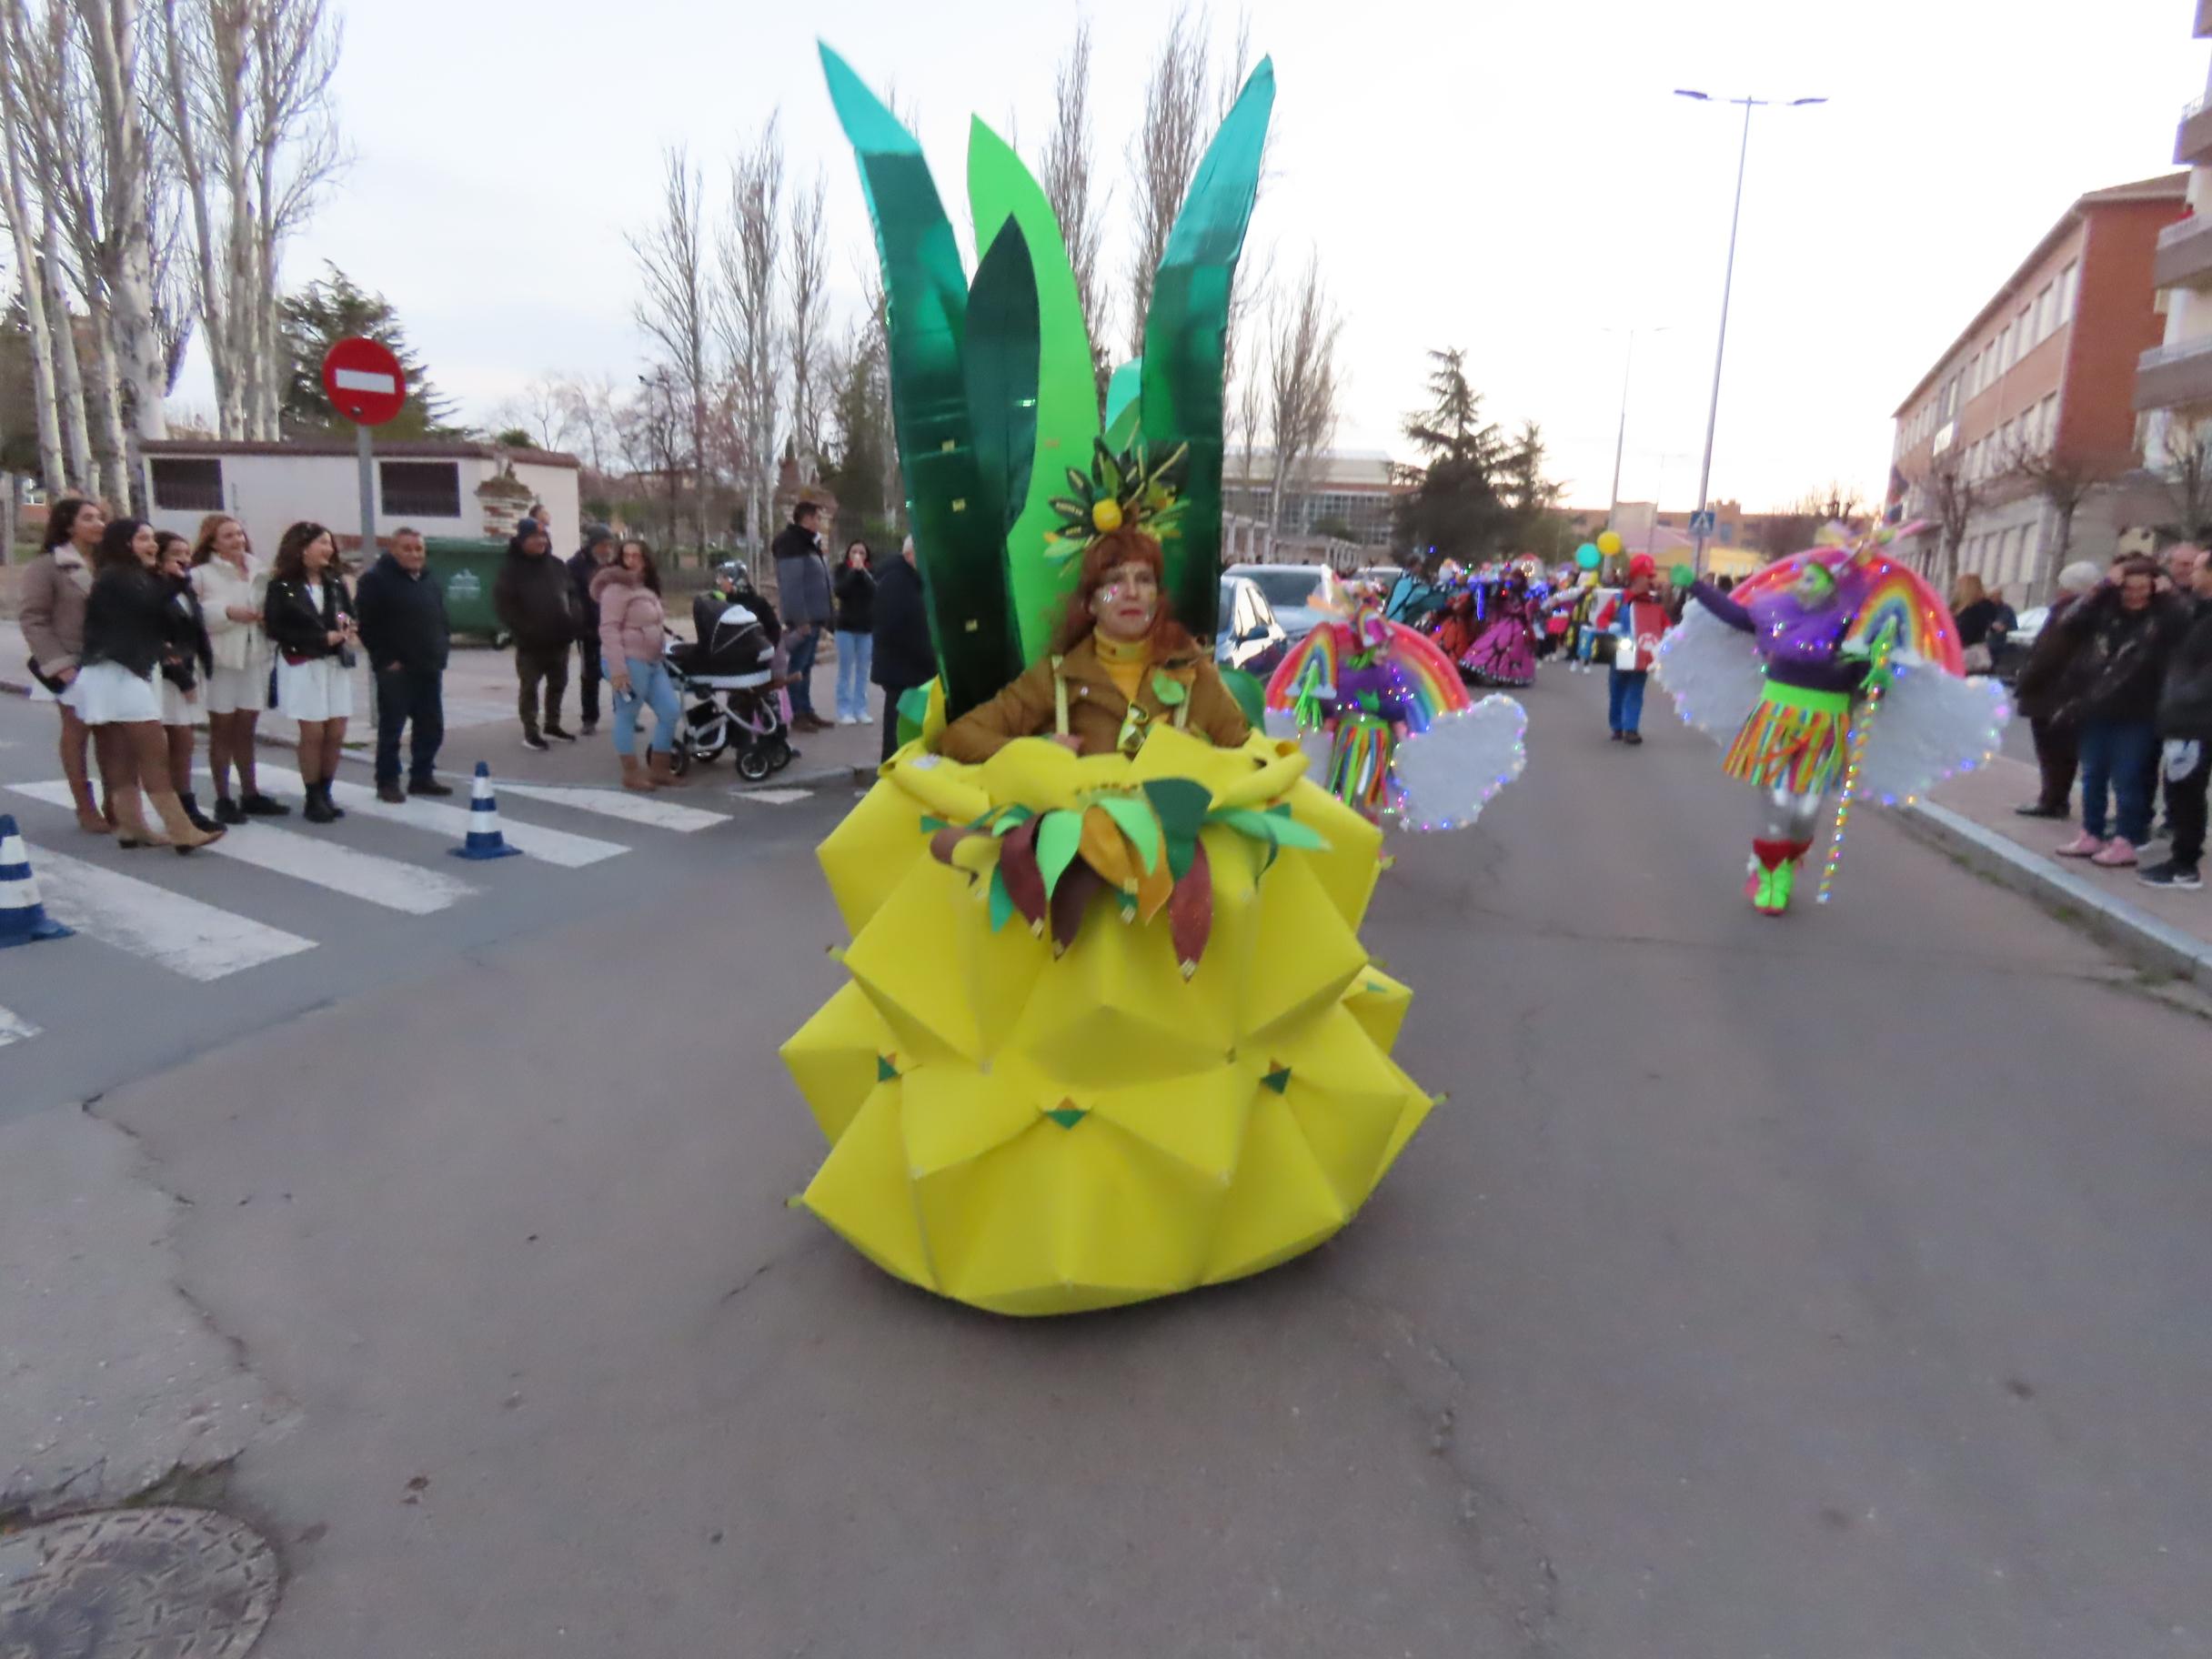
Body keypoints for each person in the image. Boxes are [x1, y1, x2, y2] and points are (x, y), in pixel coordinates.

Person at [939, 527, 1250, 762]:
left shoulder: (1196, 674)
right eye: (1114, 581)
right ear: (1090, 604)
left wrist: (1205, 757)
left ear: (1157, 597)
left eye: (1144, 580)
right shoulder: (1056, 678)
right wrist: (1036, 752)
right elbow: (958, 738)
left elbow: (1252, 757)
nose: (1131, 592)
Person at [65, 518, 223, 850]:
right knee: (154, 752)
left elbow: (145, 619)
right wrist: (176, 583)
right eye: (143, 539)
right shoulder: (118, 577)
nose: (152, 545)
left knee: (121, 754)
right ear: (125, 544)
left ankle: (130, 826)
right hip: (117, 672)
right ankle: (180, 828)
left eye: (152, 539)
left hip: (113, 671)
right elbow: (148, 607)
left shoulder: (130, 576)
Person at [2051, 556, 2188, 868]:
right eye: (2128, 587)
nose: (2135, 594)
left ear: (2155, 587)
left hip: (2137, 711)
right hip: (2095, 705)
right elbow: (2068, 621)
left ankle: (2126, 839)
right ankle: (2091, 833)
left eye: (2143, 588)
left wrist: (2171, 596)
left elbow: (2185, 625)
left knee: (2127, 778)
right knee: (2093, 774)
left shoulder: (2163, 617)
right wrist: (2101, 587)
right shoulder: (2105, 611)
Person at [190, 513, 287, 823]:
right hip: (222, 659)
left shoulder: (259, 570)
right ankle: (222, 797)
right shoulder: (202, 574)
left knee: (246, 729)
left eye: (239, 534)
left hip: (254, 656)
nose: (237, 540)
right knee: (222, 729)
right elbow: (193, 614)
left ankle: (250, 792)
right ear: (213, 542)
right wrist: (228, 613)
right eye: (228, 536)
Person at [20, 497, 109, 833]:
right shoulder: (48, 566)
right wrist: (59, 666)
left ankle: (114, 801)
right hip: (71, 661)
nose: (98, 524)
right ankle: (84, 806)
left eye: (100, 518)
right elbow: (34, 619)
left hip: (112, 658)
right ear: (69, 524)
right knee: (77, 732)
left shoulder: (110, 562)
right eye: (89, 518)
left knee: (113, 735)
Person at [264, 521, 359, 825]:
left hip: (334, 662)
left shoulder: (334, 582)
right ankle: (312, 794)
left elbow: (345, 611)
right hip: (303, 662)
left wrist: (346, 627)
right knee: (314, 731)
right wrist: (320, 638)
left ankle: (327, 790)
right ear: (301, 548)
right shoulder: (282, 586)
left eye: (330, 544)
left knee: (336, 730)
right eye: (322, 543)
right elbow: (276, 626)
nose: (328, 549)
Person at [353, 527, 454, 804]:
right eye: (407, 548)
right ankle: (387, 781)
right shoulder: (375, 581)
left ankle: (422, 776)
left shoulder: (429, 580)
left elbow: (441, 617)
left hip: (428, 666)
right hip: (396, 670)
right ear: (393, 550)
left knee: (431, 726)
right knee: (392, 728)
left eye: (419, 548)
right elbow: (365, 624)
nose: (414, 554)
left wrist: (442, 648)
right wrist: (386, 659)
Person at [2141, 551, 2212, 890]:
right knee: (2178, 789)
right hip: (2183, 717)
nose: (2190, 574)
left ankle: (2185, 865)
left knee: (2186, 791)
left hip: (2196, 720)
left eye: (2197, 568)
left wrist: (2183, 700)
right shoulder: (2196, 610)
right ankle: (2181, 857)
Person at [2012, 560, 2102, 820]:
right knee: (2064, 752)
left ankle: (2052, 800)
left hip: (2051, 692)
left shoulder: (2066, 612)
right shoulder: (2091, 613)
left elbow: (2049, 653)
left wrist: (2026, 680)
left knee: (2052, 751)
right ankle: (2055, 798)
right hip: (2068, 691)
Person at [593, 538, 685, 790]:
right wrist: (618, 670)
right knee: (627, 715)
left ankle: (659, 768)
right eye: (627, 556)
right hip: (629, 662)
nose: (631, 561)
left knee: (669, 711)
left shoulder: (646, 587)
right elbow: (608, 630)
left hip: (654, 662)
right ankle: (631, 773)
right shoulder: (615, 589)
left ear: (646, 559)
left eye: (637, 556)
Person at [153, 531, 223, 834]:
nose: (184, 558)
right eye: (175, 553)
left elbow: (196, 631)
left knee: (184, 741)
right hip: (167, 676)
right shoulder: (154, 590)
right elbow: (158, 635)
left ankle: (185, 803)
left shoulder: (185, 588)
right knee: (172, 741)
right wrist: (182, 677)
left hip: (188, 669)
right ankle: (178, 808)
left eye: (186, 552)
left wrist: (204, 663)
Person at [493, 517, 578, 750]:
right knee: (530, 688)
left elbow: (573, 595)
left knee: (558, 684)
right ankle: (531, 731)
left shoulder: (557, 565)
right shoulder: (511, 569)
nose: (540, 541)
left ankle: (553, 724)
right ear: (522, 540)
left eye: (543, 536)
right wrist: (524, 631)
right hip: (530, 644)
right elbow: (504, 606)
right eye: (534, 537)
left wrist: (574, 621)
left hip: (559, 639)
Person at [870, 534, 935, 763]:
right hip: (902, 668)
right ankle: (894, 770)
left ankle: (900, 766)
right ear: (910, 555)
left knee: (902, 726)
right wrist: (929, 658)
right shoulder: (897, 581)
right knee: (898, 728)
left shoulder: (907, 578)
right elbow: (899, 627)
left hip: (905, 667)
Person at [772, 501, 833, 732]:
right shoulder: (791, 544)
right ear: (807, 519)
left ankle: (806, 709)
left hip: (815, 617)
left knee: (806, 666)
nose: (820, 522)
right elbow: (792, 586)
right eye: (817, 518)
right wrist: (801, 620)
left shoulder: (808, 543)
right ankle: (796, 713)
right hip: (804, 620)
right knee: (797, 666)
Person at [1600, 554, 1671, 745]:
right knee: (1617, 689)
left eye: (1651, 576)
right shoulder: (1619, 599)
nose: (1651, 580)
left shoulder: (1654, 602)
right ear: (1636, 577)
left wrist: (1670, 636)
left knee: (1636, 690)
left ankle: (1631, 729)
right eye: (1648, 576)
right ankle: (1617, 726)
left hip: (1645, 652)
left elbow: (1666, 625)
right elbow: (1602, 619)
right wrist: (1611, 628)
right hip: (1623, 650)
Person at [566, 524, 618, 735]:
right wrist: (580, 624)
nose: (607, 550)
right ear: (593, 545)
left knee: (620, 671)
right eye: (604, 545)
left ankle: (624, 713)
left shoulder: (612, 565)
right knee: (590, 675)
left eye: (610, 545)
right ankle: (589, 719)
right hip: (588, 629)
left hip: (612, 628)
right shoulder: (576, 565)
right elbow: (573, 598)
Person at [1459, 568, 1538, 688]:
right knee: (1493, 644)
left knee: (1508, 649)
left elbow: (1526, 610)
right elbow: (1497, 603)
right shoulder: (1504, 590)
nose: (1513, 580)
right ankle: (1484, 668)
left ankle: (1504, 674)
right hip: (1505, 623)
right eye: (1513, 578)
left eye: (1516, 578)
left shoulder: (1523, 594)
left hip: (1515, 626)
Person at [832, 539, 876, 725]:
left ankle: (860, 709)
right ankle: (844, 710)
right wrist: (853, 572)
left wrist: (863, 572)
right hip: (846, 628)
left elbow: (875, 590)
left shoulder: (871, 571)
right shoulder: (841, 570)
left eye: (862, 553)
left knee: (863, 671)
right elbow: (840, 591)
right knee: (845, 670)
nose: (858, 555)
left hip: (866, 628)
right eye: (854, 552)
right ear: (848, 554)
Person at [1952, 574, 2004, 674]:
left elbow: (1964, 633)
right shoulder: (1983, 607)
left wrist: (1943, 635)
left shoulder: (1970, 611)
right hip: (1979, 655)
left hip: (1967, 656)